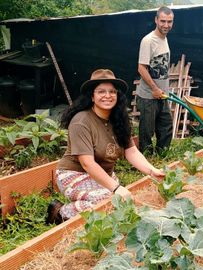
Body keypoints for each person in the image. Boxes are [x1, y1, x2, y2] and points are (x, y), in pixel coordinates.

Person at [46, 69, 165, 224]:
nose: (107, 96)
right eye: (101, 91)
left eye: (112, 92)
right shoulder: (81, 121)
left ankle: (85, 205)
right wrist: (116, 188)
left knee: (119, 203)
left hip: (102, 174)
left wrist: (152, 171)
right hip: (74, 174)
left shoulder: (118, 120)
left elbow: (132, 152)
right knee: (108, 200)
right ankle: (60, 211)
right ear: (92, 96)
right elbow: (87, 163)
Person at [136, 6, 174, 155]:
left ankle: (162, 155)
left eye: (169, 21)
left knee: (166, 126)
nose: (166, 25)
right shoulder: (148, 40)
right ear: (156, 20)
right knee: (147, 130)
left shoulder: (164, 39)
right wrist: (154, 89)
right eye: (163, 21)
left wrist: (163, 90)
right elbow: (141, 68)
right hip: (148, 96)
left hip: (161, 94)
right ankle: (145, 159)